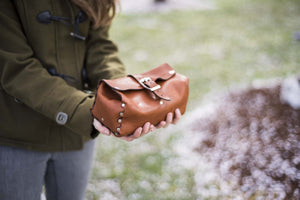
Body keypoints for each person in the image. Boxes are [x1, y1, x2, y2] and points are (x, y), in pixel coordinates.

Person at [0, 0, 181, 199]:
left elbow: (100, 47)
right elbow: (17, 68)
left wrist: (122, 99)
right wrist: (86, 111)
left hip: (77, 133)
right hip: (18, 134)